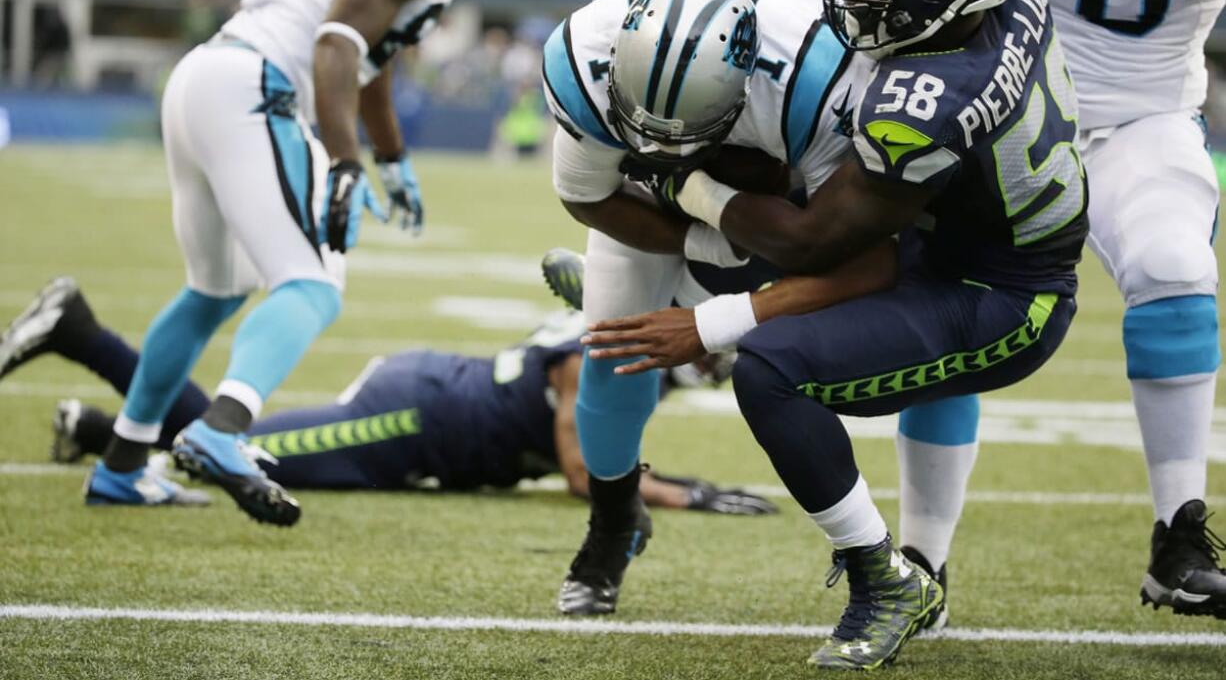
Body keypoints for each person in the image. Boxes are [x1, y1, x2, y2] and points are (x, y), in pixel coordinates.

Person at [583, 0, 1089, 669]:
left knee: (773, 368)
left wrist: (689, 186)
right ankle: (698, 291)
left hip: (998, 294)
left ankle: (883, 576)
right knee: (779, 243)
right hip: (956, 241)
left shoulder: (927, 101)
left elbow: (818, 243)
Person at [75, 0, 534, 526]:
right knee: (313, 281)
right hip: (258, 87)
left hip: (209, 75)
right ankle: (221, 426)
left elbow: (367, 51)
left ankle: (121, 462)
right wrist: (347, 162)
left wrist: (393, 158)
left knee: (213, 291)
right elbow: (339, 39)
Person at [543, 0, 910, 618]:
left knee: (876, 295)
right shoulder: (585, 53)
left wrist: (737, 278)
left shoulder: (817, 76)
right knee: (612, 349)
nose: (661, 147)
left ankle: (924, 554)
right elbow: (587, 196)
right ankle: (613, 518)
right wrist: (706, 244)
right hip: (666, 190)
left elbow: (850, 248)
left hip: (784, 168)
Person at [896, 0, 1226, 621]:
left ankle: (1178, 539)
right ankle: (921, 563)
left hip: (1139, 125)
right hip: (1002, 120)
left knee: (1173, 265)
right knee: (948, 306)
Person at [0, 277, 775, 515]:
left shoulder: (620, 341)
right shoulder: (596, 356)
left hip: (430, 410)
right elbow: (583, 474)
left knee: (236, 445)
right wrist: (686, 493)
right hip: (413, 416)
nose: (711, 362)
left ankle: (104, 426)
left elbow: (598, 453)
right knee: (239, 450)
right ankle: (80, 334)